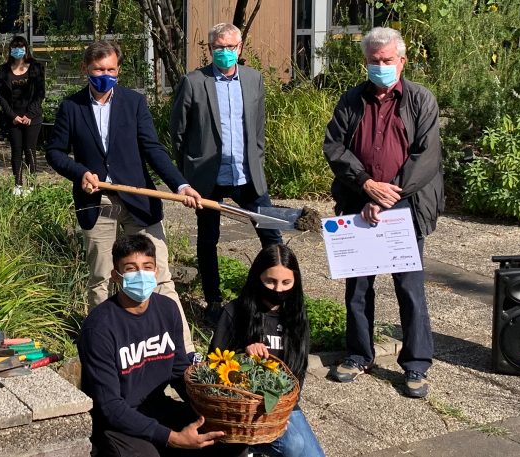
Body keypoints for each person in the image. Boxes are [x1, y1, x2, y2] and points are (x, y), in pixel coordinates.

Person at [46, 40, 201, 353]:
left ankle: (185, 350)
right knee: (101, 276)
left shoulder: (134, 102)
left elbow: (153, 149)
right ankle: (103, 348)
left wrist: (180, 186)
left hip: (139, 199)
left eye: (111, 69)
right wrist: (80, 173)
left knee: (159, 276)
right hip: (98, 200)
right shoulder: (71, 107)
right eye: (99, 69)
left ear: (119, 69)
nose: (105, 75)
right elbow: (54, 152)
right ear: (85, 69)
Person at [323, 27, 443, 398]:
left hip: (405, 204)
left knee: (410, 287)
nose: (381, 66)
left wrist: (386, 193)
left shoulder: (421, 100)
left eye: (387, 60)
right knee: (358, 287)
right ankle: (359, 354)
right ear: (366, 62)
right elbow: (335, 146)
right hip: (359, 200)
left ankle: (416, 363)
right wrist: (366, 185)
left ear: (402, 61)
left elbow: (426, 157)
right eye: (374, 61)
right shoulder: (351, 100)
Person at [79, 234, 247, 457]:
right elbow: (110, 405)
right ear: (116, 276)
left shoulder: (167, 309)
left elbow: (179, 371)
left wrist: (212, 406)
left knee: (228, 438)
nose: (141, 274)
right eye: (131, 268)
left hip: (158, 407)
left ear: (156, 271)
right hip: (117, 423)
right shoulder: (99, 328)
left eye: (147, 266)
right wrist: (173, 438)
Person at [170, 23, 283, 322]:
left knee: (271, 232)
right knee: (208, 239)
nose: (225, 52)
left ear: (240, 48)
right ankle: (213, 300)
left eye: (230, 47)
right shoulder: (194, 82)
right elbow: (177, 133)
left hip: (246, 175)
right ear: (209, 49)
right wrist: (186, 177)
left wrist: (256, 160)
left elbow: (258, 127)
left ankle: (274, 297)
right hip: (207, 177)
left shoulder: (253, 79)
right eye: (218, 47)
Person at [210, 244, 325, 457]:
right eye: (270, 281)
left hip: (280, 405)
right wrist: (242, 354)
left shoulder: (296, 318)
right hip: (241, 408)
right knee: (293, 446)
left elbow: (297, 373)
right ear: (257, 278)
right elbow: (212, 367)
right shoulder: (235, 312)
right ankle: (245, 447)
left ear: (295, 282)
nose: (278, 289)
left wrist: (283, 410)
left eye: (286, 282)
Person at [0, 36, 45, 196]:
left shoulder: (36, 67)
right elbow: (1, 96)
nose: (18, 50)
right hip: (14, 118)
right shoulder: (4, 70)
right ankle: (17, 184)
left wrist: (30, 114)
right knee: (16, 151)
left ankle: (31, 185)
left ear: (26, 49)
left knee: (30, 150)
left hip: (32, 117)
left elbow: (40, 93)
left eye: (21, 47)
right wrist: (12, 116)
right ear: (10, 50)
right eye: (15, 47)